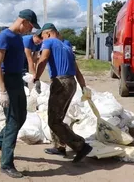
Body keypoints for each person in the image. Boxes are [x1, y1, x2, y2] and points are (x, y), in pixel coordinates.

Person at [33, 23, 92, 163]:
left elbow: (43, 60)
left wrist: (35, 77)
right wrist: (84, 87)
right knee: (58, 117)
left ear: (47, 33)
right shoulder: (66, 47)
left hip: (61, 83)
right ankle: (59, 147)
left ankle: (80, 145)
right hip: (71, 83)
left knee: (54, 121)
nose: (42, 40)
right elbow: (77, 70)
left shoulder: (49, 42)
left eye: (42, 36)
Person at [0, 9, 41, 178]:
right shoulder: (4, 36)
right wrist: (2, 91)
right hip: (7, 83)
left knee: (21, 116)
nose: (31, 30)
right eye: (30, 26)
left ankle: (0, 141)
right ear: (24, 22)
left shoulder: (18, 38)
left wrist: (26, 76)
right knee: (13, 121)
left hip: (17, 81)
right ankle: (6, 164)